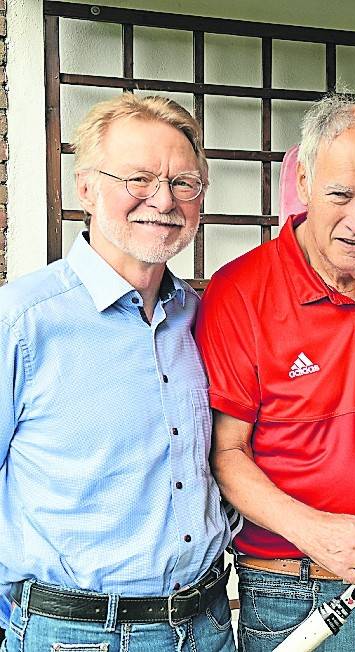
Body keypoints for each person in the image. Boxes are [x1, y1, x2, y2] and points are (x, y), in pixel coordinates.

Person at [195, 93, 355, 651]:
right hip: (293, 589)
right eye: (340, 195)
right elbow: (226, 454)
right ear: (303, 180)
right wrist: (315, 533)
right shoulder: (239, 291)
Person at [0, 94, 234, 651]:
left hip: (206, 625)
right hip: (76, 633)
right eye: (139, 178)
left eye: (184, 182)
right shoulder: (23, 321)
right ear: (85, 187)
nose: (164, 199)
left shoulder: (200, 318)